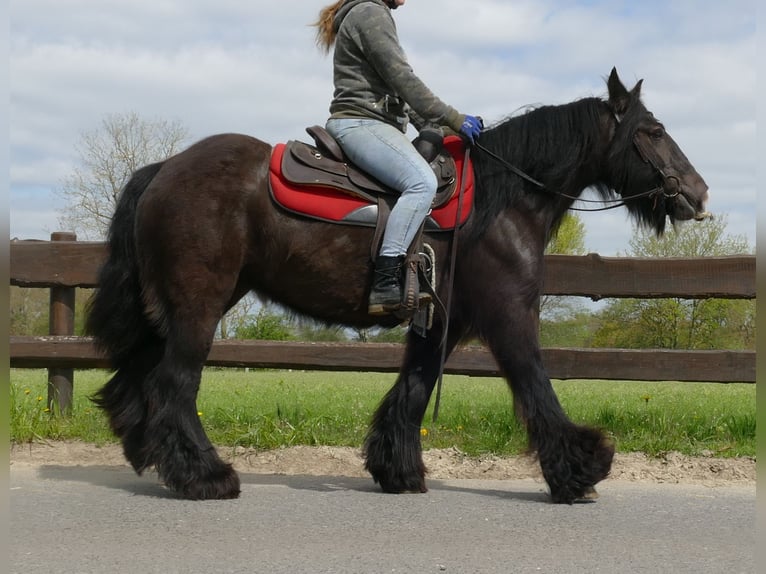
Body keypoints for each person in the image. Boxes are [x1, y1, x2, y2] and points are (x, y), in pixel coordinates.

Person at [314, 0, 483, 316]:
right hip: (360, 123)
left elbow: (397, 94)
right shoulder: (370, 13)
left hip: (376, 124)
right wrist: (455, 117)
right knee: (421, 182)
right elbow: (403, 79)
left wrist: (439, 126)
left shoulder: (374, 13)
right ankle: (386, 280)